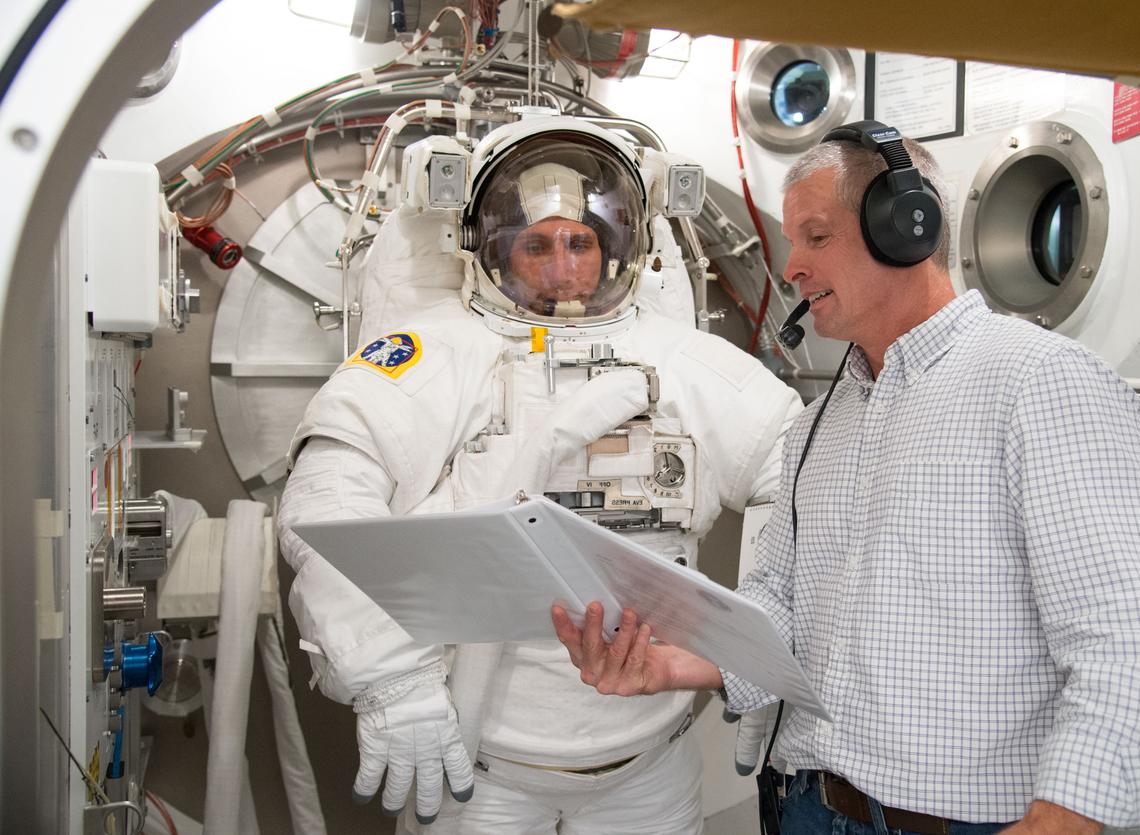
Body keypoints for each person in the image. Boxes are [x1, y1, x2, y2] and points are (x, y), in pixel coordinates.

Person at [553, 121, 1140, 835]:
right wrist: (678, 661)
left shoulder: (1042, 385)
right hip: (806, 805)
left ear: (905, 228)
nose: (791, 265)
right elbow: (784, 608)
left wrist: (1068, 817)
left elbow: (1127, 640)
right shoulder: (818, 423)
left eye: (815, 236)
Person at [277, 117, 803, 833]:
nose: (562, 266)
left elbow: (801, 476)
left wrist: (760, 663)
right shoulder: (434, 354)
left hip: (650, 766)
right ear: (490, 248)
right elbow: (328, 499)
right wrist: (389, 679)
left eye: (580, 242)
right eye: (537, 243)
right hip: (481, 770)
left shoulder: (686, 364)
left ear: (618, 245)